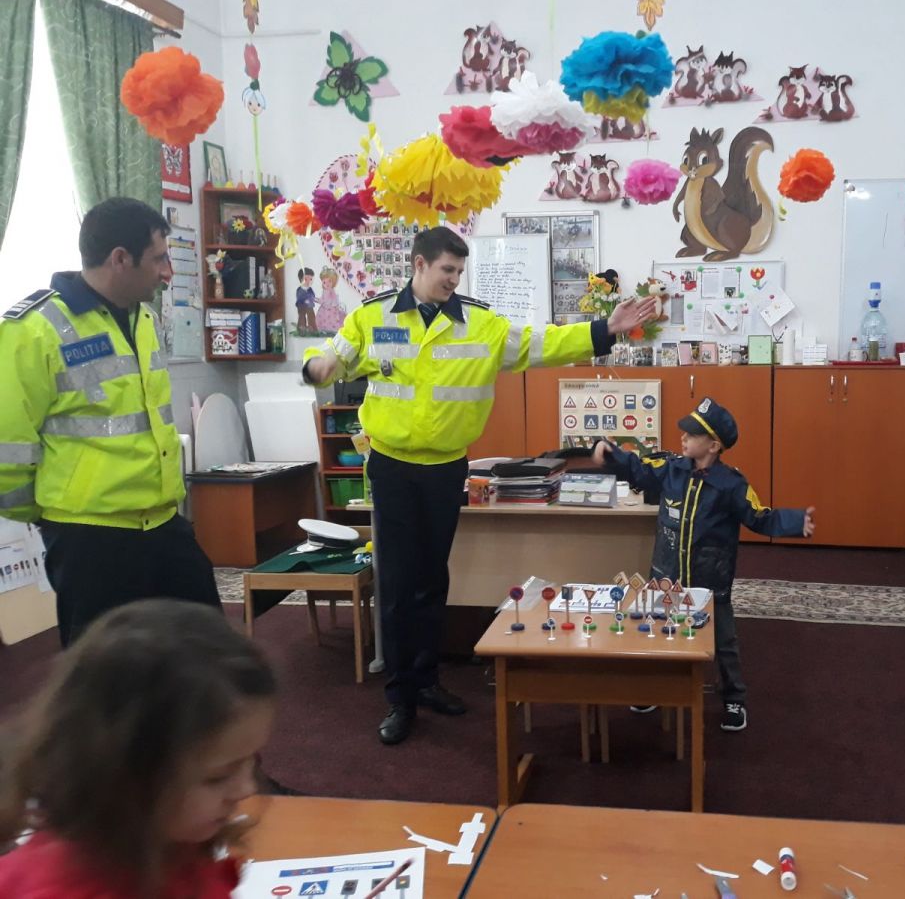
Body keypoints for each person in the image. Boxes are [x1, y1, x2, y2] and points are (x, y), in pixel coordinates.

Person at [303, 226, 657, 745]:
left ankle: (427, 680)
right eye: (446, 270)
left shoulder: (481, 324)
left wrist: (606, 328)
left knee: (432, 578)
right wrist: (318, 366)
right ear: (420, 265)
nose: (454, 279)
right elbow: (333, 354)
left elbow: (541, 344)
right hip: (392, 468)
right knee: (398, 584)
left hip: (447, 468)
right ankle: (400, 697)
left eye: (459, 271)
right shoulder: (372, 317)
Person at [0, 197, 221, 646]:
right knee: (106, 672)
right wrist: (51, 519)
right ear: (120, 259)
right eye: (158, 259)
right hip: (90, 537)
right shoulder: (33, 329)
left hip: (162, 521)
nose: (168, 272)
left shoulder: (144, 318)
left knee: (208, 653)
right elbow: (9, 445)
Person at [0, 599, 277, 898]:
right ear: (120, 774)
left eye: (250, 760)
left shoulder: (161, 834)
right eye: (217, 777)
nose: (247, 789)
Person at [592, 397, 816, 732]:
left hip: (710, 580)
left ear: (713, 446)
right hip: (666, 577)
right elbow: (638, 468)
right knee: (655, 632)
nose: (683, 437)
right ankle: (654, 688)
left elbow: (759, 516)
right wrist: (610, 454)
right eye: (684, 431)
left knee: (723, 642)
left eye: (692, 434)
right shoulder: (670, 470)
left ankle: (734, 698)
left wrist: (796, 522)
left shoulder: (732, 484)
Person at [295, 266, 318, 334]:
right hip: (301, 305)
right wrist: (304, 300)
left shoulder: (310, 289)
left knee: (311, 315)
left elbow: (312, 295)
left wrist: (312, 299)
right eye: (305, 279)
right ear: (301, 279)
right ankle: (301, 327)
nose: (308, 281)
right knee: (301, 316)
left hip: (309, 305)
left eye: (310, 279)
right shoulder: (299, 289)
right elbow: (299, 297)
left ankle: (312, 328)